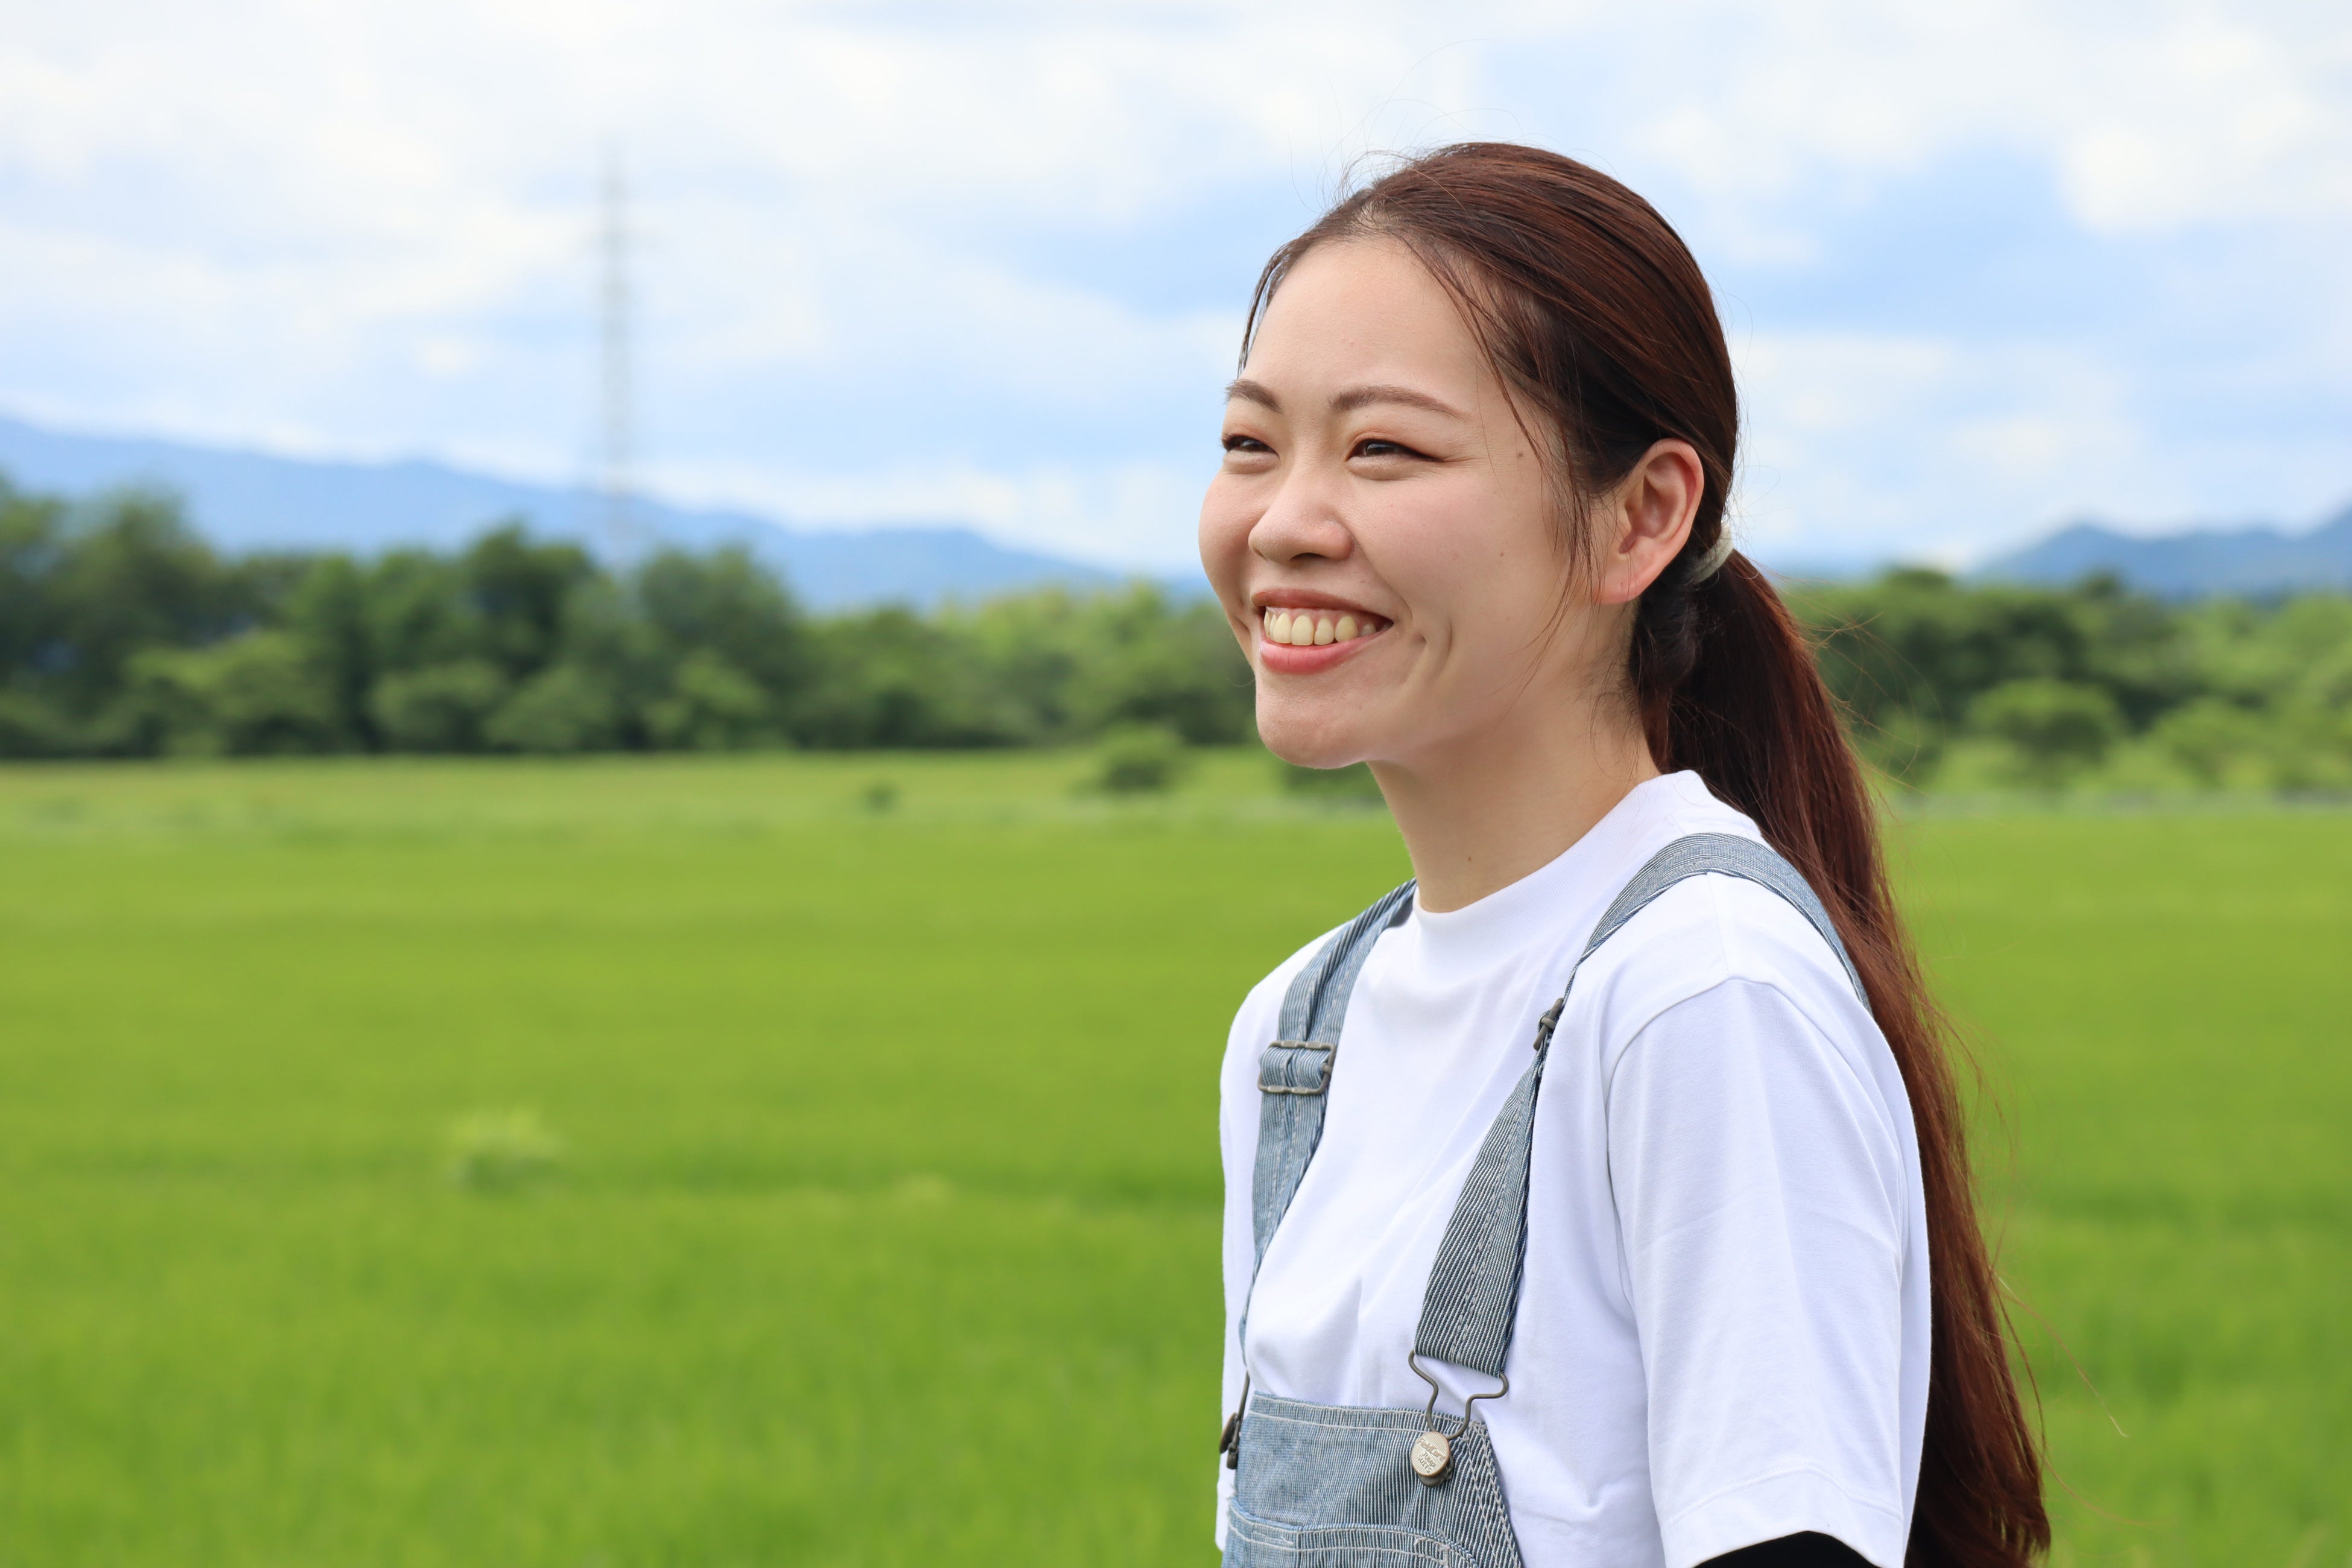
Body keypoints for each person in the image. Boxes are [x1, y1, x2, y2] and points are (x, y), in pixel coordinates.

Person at [1200, 144, 2046, 1568]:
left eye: (1383, 448)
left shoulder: (1696, 989)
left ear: (1643, 515)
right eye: (1248, 443)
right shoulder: (1299, 1033)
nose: (1285, 520)